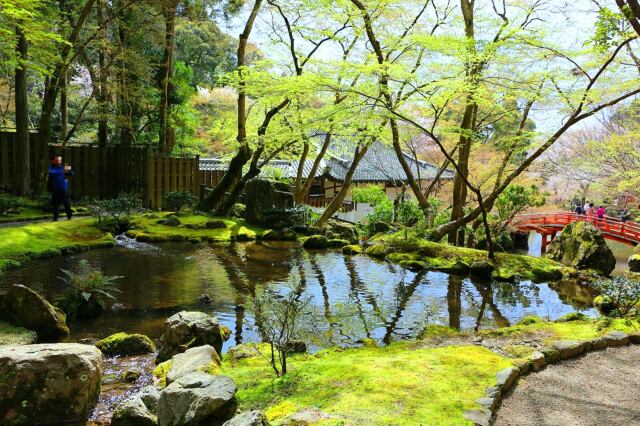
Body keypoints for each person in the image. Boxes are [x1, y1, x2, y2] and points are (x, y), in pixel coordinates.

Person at [47, 156, 74, 221]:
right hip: (55, 189)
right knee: (55, 204)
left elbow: (72, 173)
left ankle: (69, 215)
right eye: (57, 160)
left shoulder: (64, 167)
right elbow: (52, 173)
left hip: (63, 188)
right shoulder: (51, 168)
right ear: (53, 161)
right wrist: (63, 170)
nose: (58, 161)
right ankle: (55, 218)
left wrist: (68, 170)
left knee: (66, 203)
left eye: (59, 160)